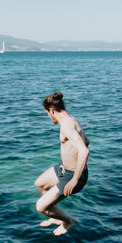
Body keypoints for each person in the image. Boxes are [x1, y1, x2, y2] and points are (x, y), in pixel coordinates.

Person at [34, 91, 90, 235]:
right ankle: (55, 217)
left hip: (73, 176)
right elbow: (87, 141)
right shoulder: (72, 120)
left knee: (40, 207)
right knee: (40, 184)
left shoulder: (67, 125)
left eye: (47, 113)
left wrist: (75, 179)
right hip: (65, 169)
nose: (48, 116)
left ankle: (68, 221)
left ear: (51, 110)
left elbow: (84, 151)